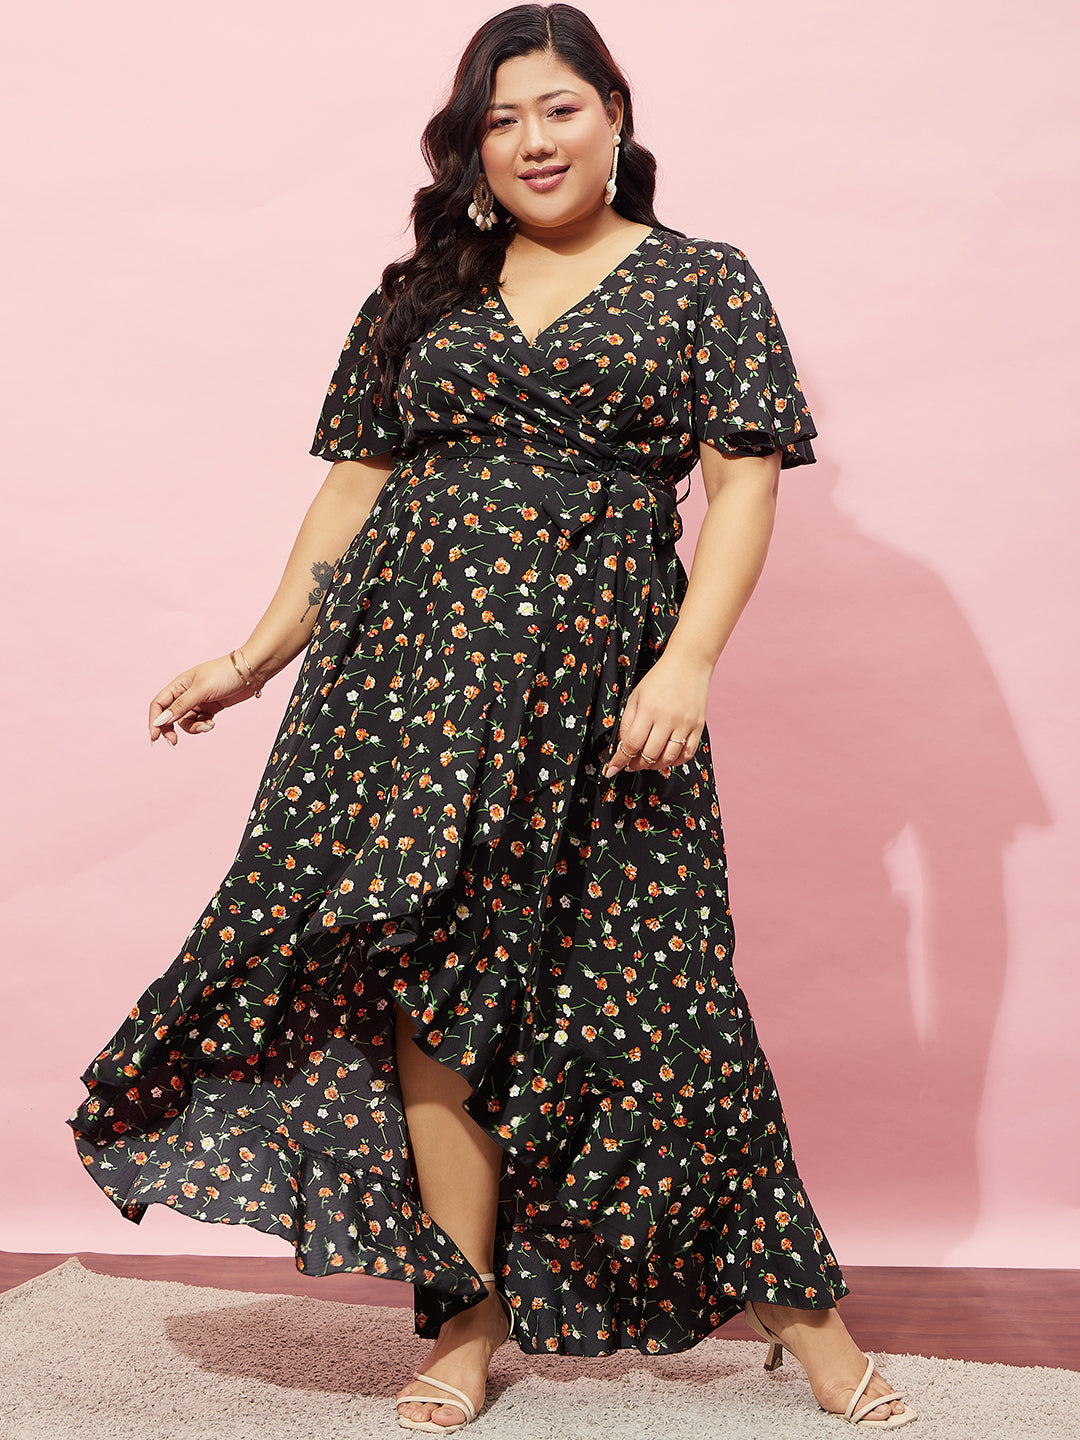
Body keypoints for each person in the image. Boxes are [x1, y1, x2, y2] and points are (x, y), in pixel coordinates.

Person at [67, 3, 916, 1432]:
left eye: (560, 108)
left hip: (599, 693)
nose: (533, 140)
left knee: (664, 1000)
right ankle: (461, 1328)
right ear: (471, 144)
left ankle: (807, 1325)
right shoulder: (421, 292)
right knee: (432, 998)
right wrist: (253, 657)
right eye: (502, 118)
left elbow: (741, 484)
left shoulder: (703, 281)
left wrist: (689, 664)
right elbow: (355, 487)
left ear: (616, 117)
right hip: (403, 689)